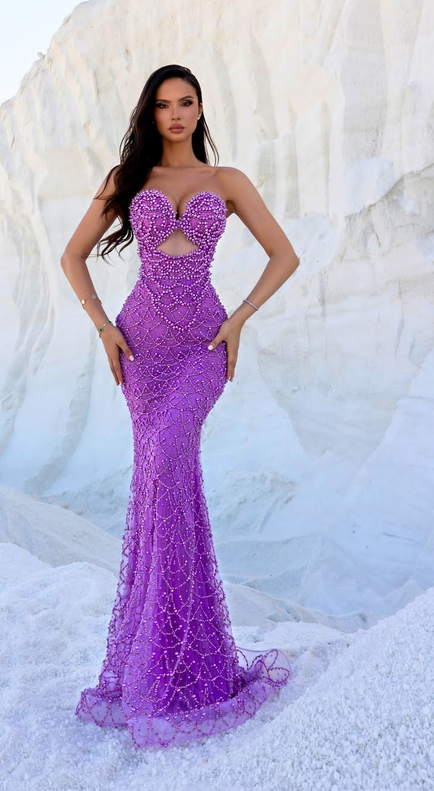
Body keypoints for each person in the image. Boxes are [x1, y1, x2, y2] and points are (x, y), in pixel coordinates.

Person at [60, 64, 299, 749]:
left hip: (201, 347)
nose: (175, 114)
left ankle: (184, 666)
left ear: (200, 109)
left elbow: (284, 255)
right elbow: (73, 256)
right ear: (150, 112)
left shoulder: (226, 184)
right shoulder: (126, 180)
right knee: (160, 481)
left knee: (168, 459)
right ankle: (162, 665)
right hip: (141, 349)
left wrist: (242, 317)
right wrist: (104, 326)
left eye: (186, 102)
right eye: (163, 104)